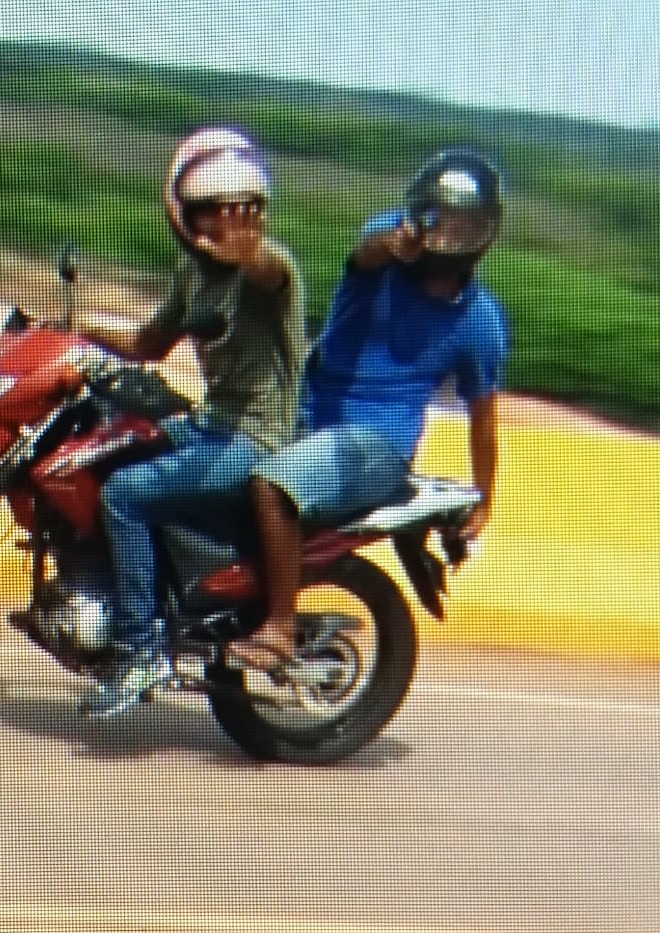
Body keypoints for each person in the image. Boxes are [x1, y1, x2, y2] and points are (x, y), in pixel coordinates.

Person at [233, 148, 510, 670]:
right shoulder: (388, 246)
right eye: (435, 217)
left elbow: (485, 419)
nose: (441, 235)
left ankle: (279, 630)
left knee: (273, 486)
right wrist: (391, 244)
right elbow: (365, 253)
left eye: (461, 226)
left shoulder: (480, 323)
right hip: (302, 413)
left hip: (376, 444)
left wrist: (484, 500)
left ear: (483, 235)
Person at [74, 127, 310, 718]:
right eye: (208, 212)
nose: (219, 226)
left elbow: (266, 269)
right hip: (211, 425)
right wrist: (77, 329)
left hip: (257, 440)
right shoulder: (192, 275)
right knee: (103, 453)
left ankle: (138, 650)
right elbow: (149, 343)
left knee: (125, 497)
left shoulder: (272, 269)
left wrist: (247, 252)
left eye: (237, 212)